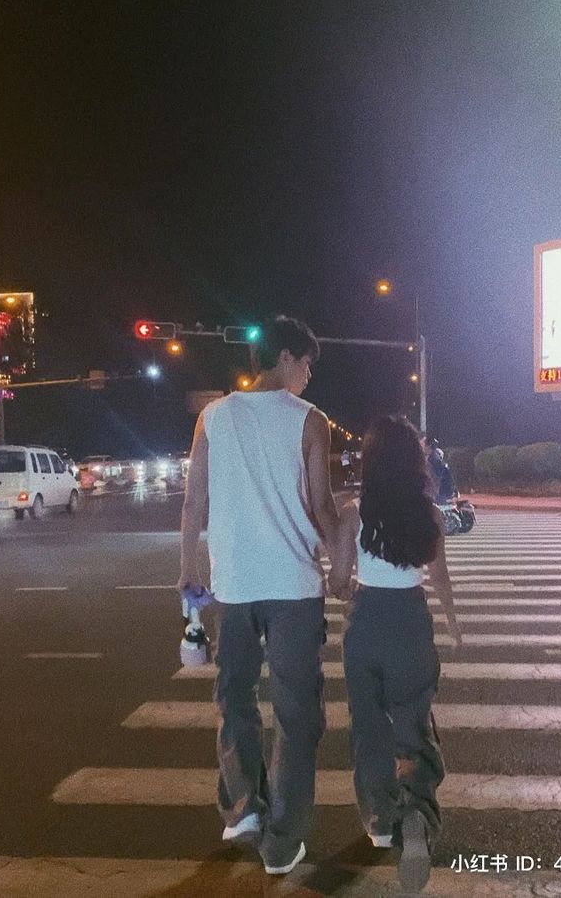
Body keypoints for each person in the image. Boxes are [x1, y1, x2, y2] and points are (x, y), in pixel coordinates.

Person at [178, 315, 348, 875]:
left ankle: (245, 805)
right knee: (297, 714)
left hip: (235, 587)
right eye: (306, 365)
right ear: (284, 359)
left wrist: (188, 568)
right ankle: (282, 840)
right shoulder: (310, 421)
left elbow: (194, 503)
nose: (308, 376)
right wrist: (347, 563)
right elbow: (322, 507)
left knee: (235, 697)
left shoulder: (213, 417)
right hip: (295, 587)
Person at [336, 416, 462, 892]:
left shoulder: (354, 510)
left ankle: (379, 820)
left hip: (366, 621)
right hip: (411, 621)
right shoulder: (428, 513)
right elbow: (440, 578)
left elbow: (339, 577)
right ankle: (417, 817)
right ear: (416, 460)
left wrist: (343, 589)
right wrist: (453, 625)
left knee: (368, 726)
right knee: (413, 726)